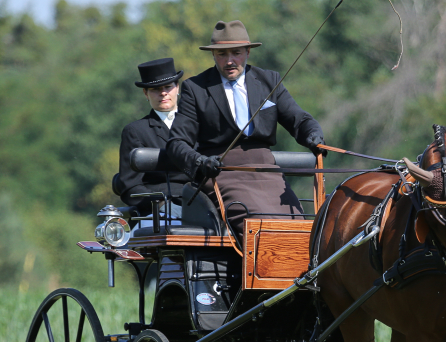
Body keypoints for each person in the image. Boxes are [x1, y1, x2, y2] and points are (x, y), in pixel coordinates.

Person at [167, 20, 326, 237]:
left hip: (267, 172)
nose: (230, 61)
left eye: (236, 53)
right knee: (261, 225)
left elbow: (299, 119)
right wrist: (201, 163)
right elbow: (176, 143)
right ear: (213, 55)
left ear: (248, 51)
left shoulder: (269, 81)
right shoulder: (196, 88)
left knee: (298, 226)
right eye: (222, 54)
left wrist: (313, 135)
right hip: (222, 173)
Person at [116, 58, 190, 210]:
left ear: (177, 88)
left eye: (168, 87)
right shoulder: (135, 131)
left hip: (201, 204)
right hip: (158, 211)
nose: (163, 93)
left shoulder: (198, 124)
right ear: (146, 93)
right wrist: (161, 205)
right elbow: (130, 186)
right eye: (156, 89)